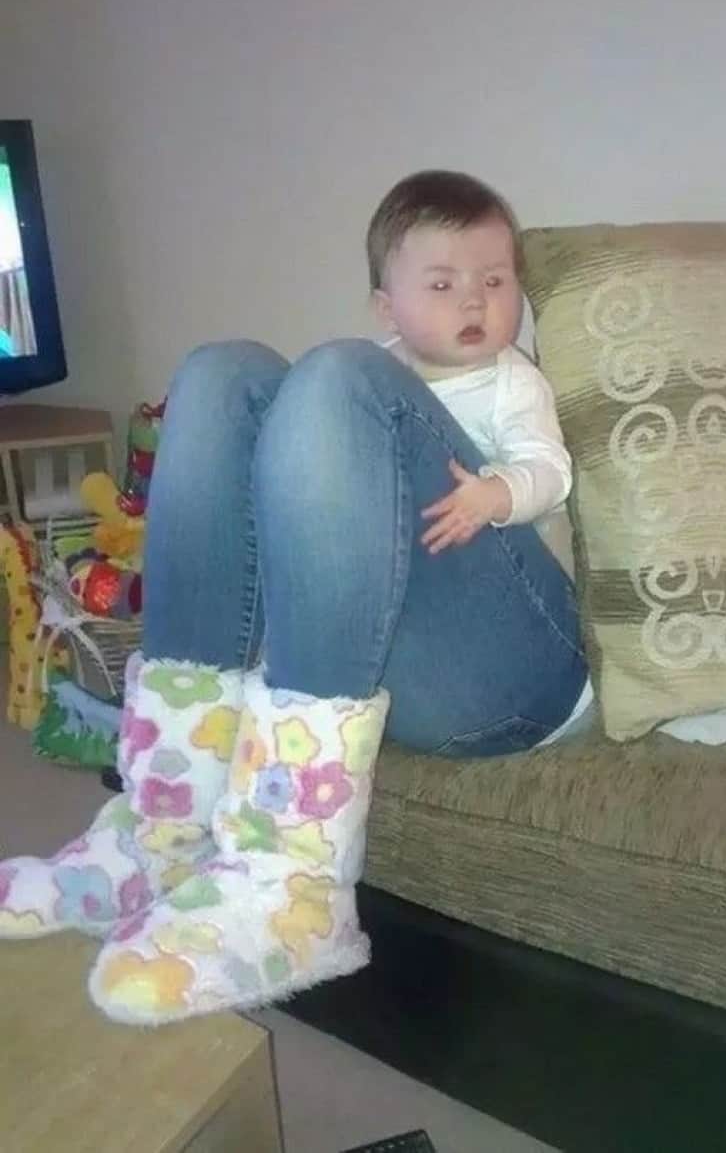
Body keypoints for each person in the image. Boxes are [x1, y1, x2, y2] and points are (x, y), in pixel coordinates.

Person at [0, 170, 589, 1026]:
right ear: (387, 305)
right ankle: (163, 829)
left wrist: (497, 493)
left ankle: (294, 887)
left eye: (495, 281)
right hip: (401, 647)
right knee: (222, 371)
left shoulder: (505, 381)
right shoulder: (383, 370)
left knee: (336, 375)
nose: (475, 301)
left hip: (521, 670)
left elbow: (548, 471)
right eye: (443, 283)